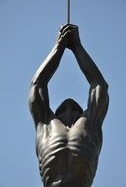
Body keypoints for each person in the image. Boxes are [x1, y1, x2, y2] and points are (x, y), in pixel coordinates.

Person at [28, 24, 109, 187]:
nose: (69, 111)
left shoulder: (90, 125)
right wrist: (59, 46)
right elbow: (37, 86)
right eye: (63, 110)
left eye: (74, 110)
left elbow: (99, 86)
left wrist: (77, 46)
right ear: (56, 116)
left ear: (81, 114)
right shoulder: (45, 126)